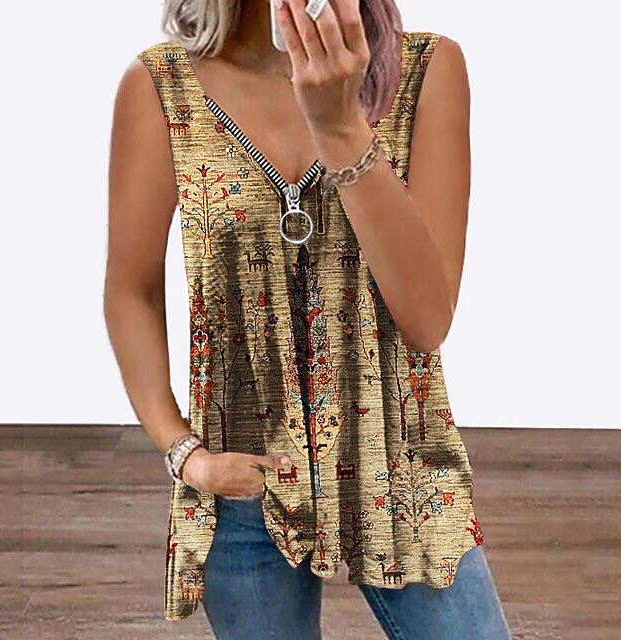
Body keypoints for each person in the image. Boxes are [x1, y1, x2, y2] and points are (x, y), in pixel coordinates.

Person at [105, 1, 513, 638]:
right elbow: (131, 289)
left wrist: (341, 125)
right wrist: (184, 453)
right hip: (245, 486)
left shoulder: (427, 70)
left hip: (403, 476)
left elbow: (428, 320)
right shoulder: (163, 88)